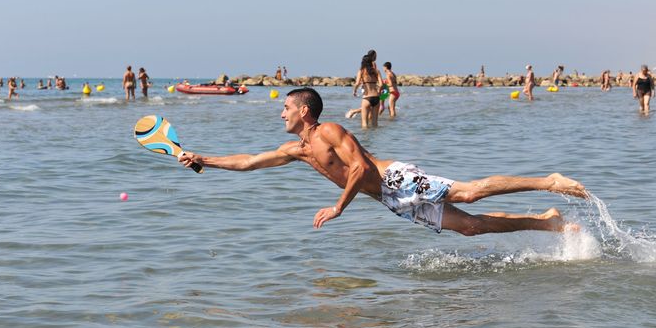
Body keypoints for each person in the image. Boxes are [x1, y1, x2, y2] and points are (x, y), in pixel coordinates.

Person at [178, 88, 587, 235]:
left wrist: (338, 208)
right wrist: (203, 159)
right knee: (470, 229)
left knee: (471, 192)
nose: (280, 114)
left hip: (397, 180)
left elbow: (359, 169)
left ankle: (548, 181)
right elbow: (248, 161)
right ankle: (547, 222)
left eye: (285, 108)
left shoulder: (330, 132)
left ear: (305, 111)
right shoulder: (296, 150)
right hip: (388, 200)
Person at [352, 50, 383, 128]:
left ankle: (366, 140)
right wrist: (379, 92)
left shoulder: (361, 71)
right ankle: (375, 139)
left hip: (367, 97)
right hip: (376, 97)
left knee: (364, 123)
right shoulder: (376, 71)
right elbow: (381, 84)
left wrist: (354, 91)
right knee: (375, 123)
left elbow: (357, 83)